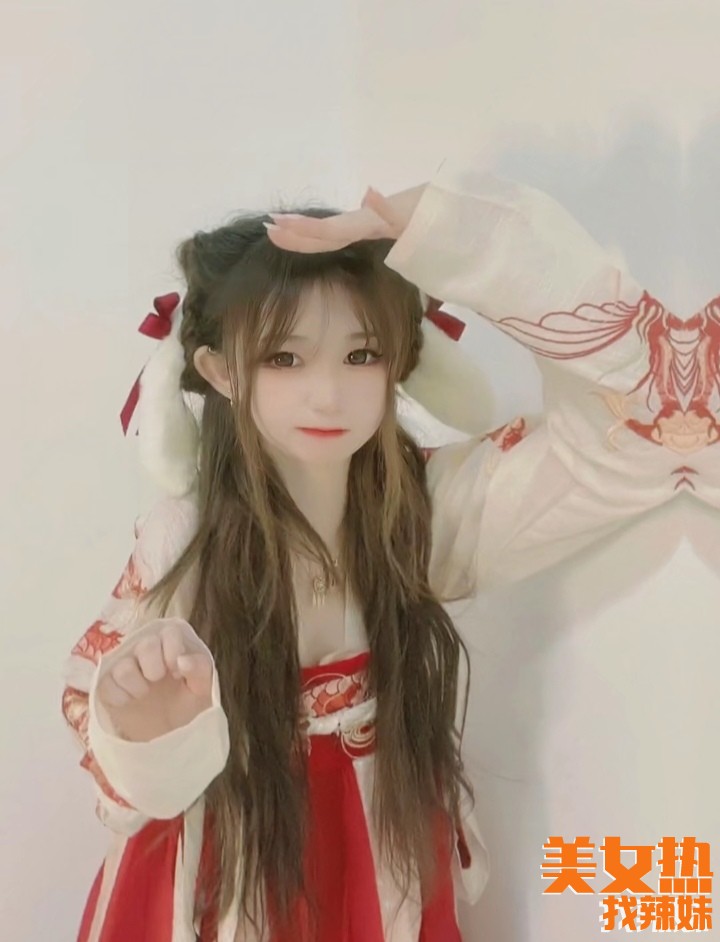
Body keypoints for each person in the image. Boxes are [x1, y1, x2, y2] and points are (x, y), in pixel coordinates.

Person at [61, 180, 493, 942]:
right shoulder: (184, 537)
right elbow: (114, 757)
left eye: (362, 354)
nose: (328, 394)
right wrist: (153, 732)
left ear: (400, 360)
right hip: (228, 864)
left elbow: (629, 440)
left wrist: (448, 230)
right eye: (285, 358)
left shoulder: (426, 509)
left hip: (383, 840)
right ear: (221, 371)